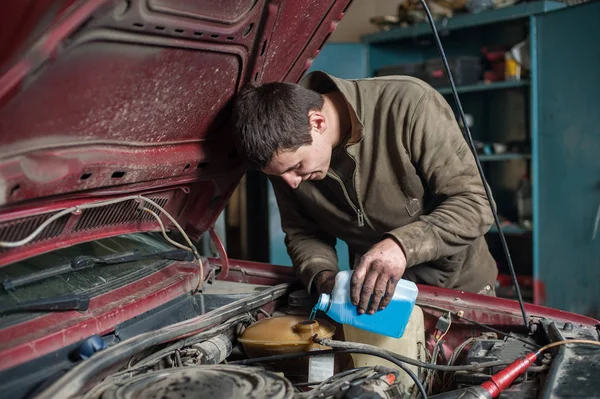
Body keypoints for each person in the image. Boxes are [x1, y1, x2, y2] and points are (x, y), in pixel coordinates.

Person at [232, 71, 497, 316]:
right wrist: (324, 276)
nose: (291, 182)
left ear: (317, 122)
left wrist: (401, 246)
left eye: (296, 167)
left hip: (460, 293)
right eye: (279, 175)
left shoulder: (409, 105)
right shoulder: (286, 159)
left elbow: (475, 203)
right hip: (376, 302)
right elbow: (304, 232)